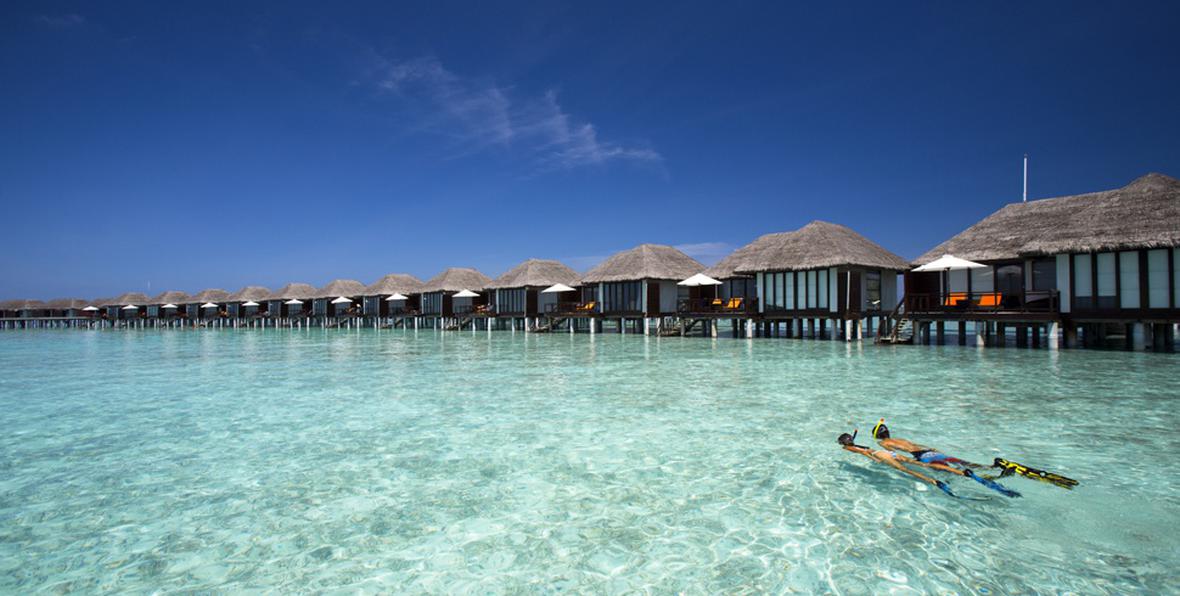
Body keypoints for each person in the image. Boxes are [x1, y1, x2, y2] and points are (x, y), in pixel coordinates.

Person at [870, 420, 1022, 497]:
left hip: (923, 456)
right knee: (962, 463)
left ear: (878, 436)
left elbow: (895, 455)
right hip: (929, 450)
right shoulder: (901, 439)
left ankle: (985, 480)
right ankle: (992, 467)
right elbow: (916, 445)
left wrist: (905, 462)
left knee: (952, 472)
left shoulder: (883, 443)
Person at [838, 432, 957, 496]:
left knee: (906, 470)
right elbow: (864, 449)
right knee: (918, 463)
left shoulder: (847, 448)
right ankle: (959, 472)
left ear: (843, 442)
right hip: (887, 453)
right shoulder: (855, 445)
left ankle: (934, 482)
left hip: (880, 454)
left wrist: (875, 460)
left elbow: (863, 452)